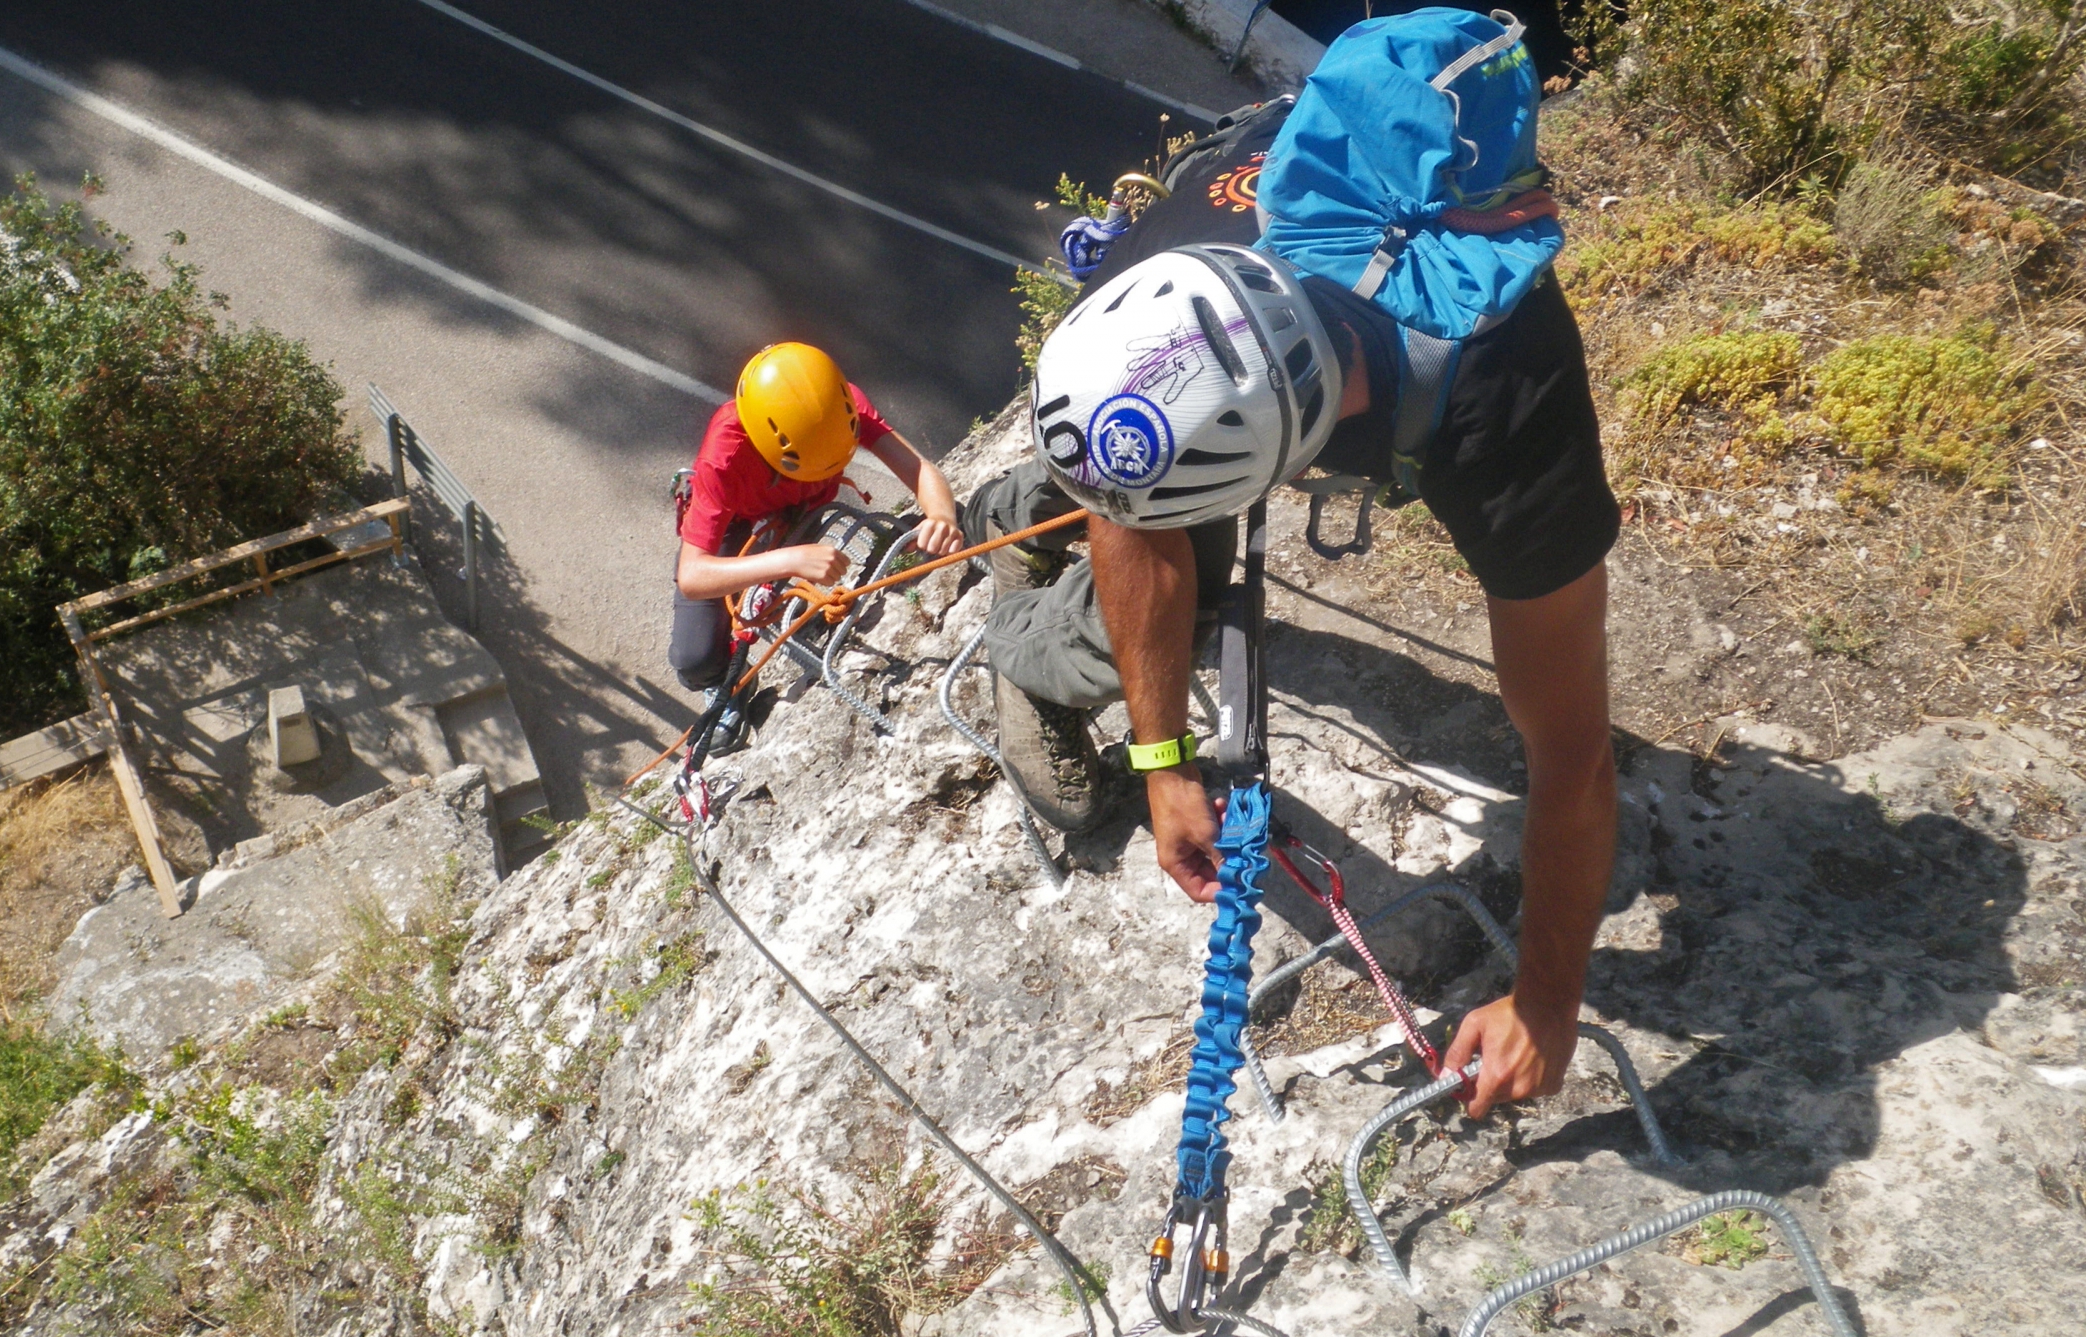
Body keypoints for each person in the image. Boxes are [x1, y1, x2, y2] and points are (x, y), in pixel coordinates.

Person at [993, 11, 1617, 1119]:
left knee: (1159, 523)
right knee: (1116, 529)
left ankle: (1054, 506)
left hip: (1412, 395)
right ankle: (1029, 631)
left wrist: (1546, 1001)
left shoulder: (1508, 406)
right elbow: (1137, 529)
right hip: (1205, 357)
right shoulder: (1169, 267)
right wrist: (1161, 756)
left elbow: (1568, 753)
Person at [670, 342, 964, 695]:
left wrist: (942, 515)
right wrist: (788, 560)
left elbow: (916, 467)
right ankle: (721, 684)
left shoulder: (838, 407)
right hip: (736, 518)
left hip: (802, 511)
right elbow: (692, 574)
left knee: (795, 611)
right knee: (694, 657)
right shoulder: (725, 457)